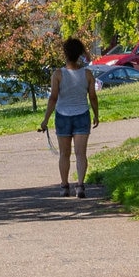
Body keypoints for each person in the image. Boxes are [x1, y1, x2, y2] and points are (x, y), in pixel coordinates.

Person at [38, 37, 98, 198]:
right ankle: (80, 186)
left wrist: (45, 120)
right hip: (82, 116)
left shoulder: (58, 74)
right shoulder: (87, 74)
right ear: (79, 54)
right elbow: (92, 97)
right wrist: (96, 115)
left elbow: (53, 98)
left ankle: (64, 186)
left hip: (63, 117)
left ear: (64, 54)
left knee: (64, 154)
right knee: (81, 154)